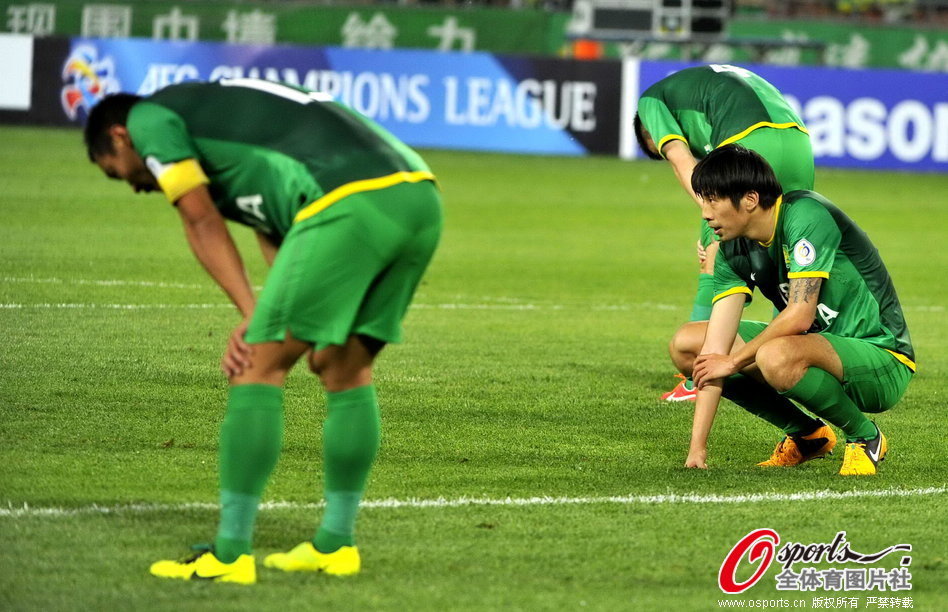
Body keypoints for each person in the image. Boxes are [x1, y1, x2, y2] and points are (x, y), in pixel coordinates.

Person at [84, 78, 443, 584]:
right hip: (418, 197)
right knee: (342, 366)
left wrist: (254, 318)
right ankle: (336, 546)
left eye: (115, 173)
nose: (135, 185)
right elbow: (285, 235)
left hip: (346, 200)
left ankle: (230, 556)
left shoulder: (148, 119)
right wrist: (271, 312)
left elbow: (200, 219)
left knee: (255, 365)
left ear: (119, 137)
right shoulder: (237, 134)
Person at [669, 145, 914, 476]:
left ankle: (865, 437)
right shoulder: (732, 251)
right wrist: (696, 450)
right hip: (814, 348)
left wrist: (734, 362)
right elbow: (713, 353)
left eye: (713, 200)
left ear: (750, 199)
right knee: (688, 343)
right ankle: (807, 435)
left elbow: (800, 314)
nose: (705, 213)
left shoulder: (805, 215)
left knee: (775, 355)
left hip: (881, 356)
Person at [634, 64, 814, 402]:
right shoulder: (703, 83)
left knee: (715, 246)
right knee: (787, 245)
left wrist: (709, 217)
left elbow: (679, 159)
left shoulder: (650, 102)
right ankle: (794, 355)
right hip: (799, 142)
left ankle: (695, 371)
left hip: (749, 142)